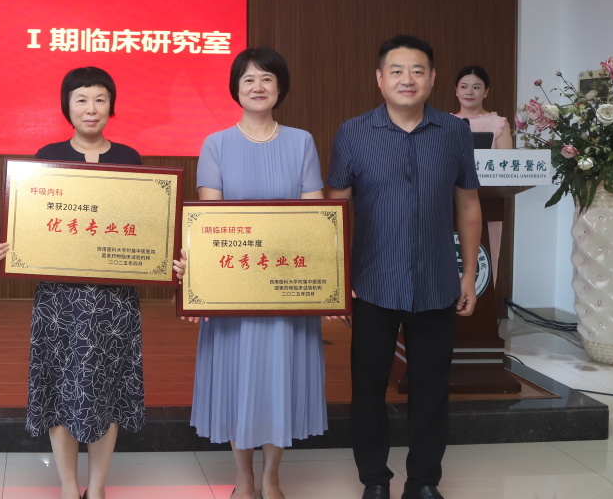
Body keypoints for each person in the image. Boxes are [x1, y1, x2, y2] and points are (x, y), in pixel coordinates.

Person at [326, 34, 482, 499]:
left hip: (437, 282)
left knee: (431, 388)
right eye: (396, 70)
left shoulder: (453, 132)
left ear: (433, 78)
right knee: (368, 388)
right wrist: (338, 277)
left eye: (417, 70)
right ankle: (375, 480)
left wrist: (468, 273)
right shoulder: (353, 132)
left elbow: (468, 206)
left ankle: (424, 481)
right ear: (380, 78)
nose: (407, 79)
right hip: (372, 282)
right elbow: (335, 209)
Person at [172, 47, 328, 499]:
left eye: (266, 79)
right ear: (235, 89)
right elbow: (210, 221)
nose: (258, 87)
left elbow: (315, 218)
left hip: (286, 284)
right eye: (248, 79)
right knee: (238, 378)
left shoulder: (301, 142)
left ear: (280, 87)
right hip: (234, 286)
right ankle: (242, 478)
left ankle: (272, 476)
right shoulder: (216, 144)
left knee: (280, 377)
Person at [0, 67, 143, 499]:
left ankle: (97, 488)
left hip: (114, 301)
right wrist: (8, 247)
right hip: (60, 299)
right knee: (59, 386)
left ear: (111, 106)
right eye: (81, 99)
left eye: (100, 99)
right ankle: (68, 486)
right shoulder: (48, 156)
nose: (91, 108)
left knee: (107, 388)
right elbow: (30, 225)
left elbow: (145, 225)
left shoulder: (131, 159)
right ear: (67, 107)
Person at [451, 65, 512, 148]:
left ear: (486, 91)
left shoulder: (498, 124)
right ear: (456, 90)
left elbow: (505, 156)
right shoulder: (446, 122)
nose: (469, 92)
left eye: (476, 87)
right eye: (464, 87)